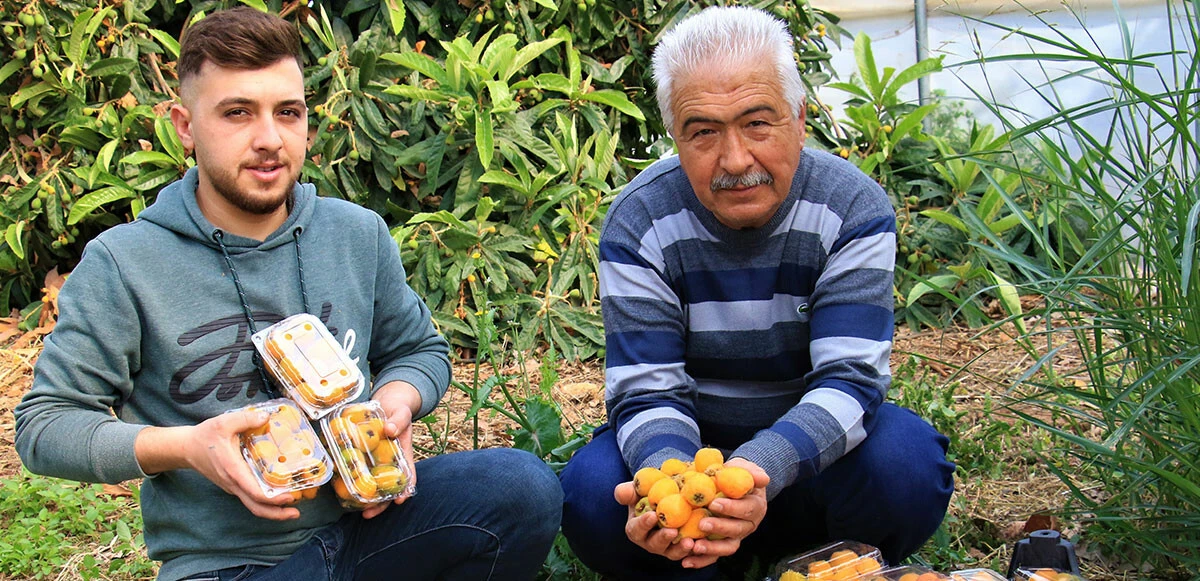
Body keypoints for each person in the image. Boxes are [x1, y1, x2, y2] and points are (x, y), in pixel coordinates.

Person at [13, 7, 561, 581]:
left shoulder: (355, 233)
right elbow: (45, 425)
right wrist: (188, 446)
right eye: (237, 113)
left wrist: (395, 404)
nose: (269, 139)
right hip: (229, 566)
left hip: (365, 528)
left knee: (521, 487)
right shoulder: (125, 263)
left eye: (288, 112)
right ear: (184, 126)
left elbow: (418, 350)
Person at [559, 6, 955, 580]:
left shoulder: (850, 208)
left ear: (799, 118)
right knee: (596, 494)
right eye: (703, 132)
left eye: (758, 123)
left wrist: (753, 471)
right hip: (694, 458)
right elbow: (647, 390)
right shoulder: (640, 222)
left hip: (816, 458)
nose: (736, 159)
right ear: (676, 138)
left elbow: (850, 379)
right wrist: (680, 488)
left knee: (905, 465)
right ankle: (699, 561)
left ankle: (833, 564)